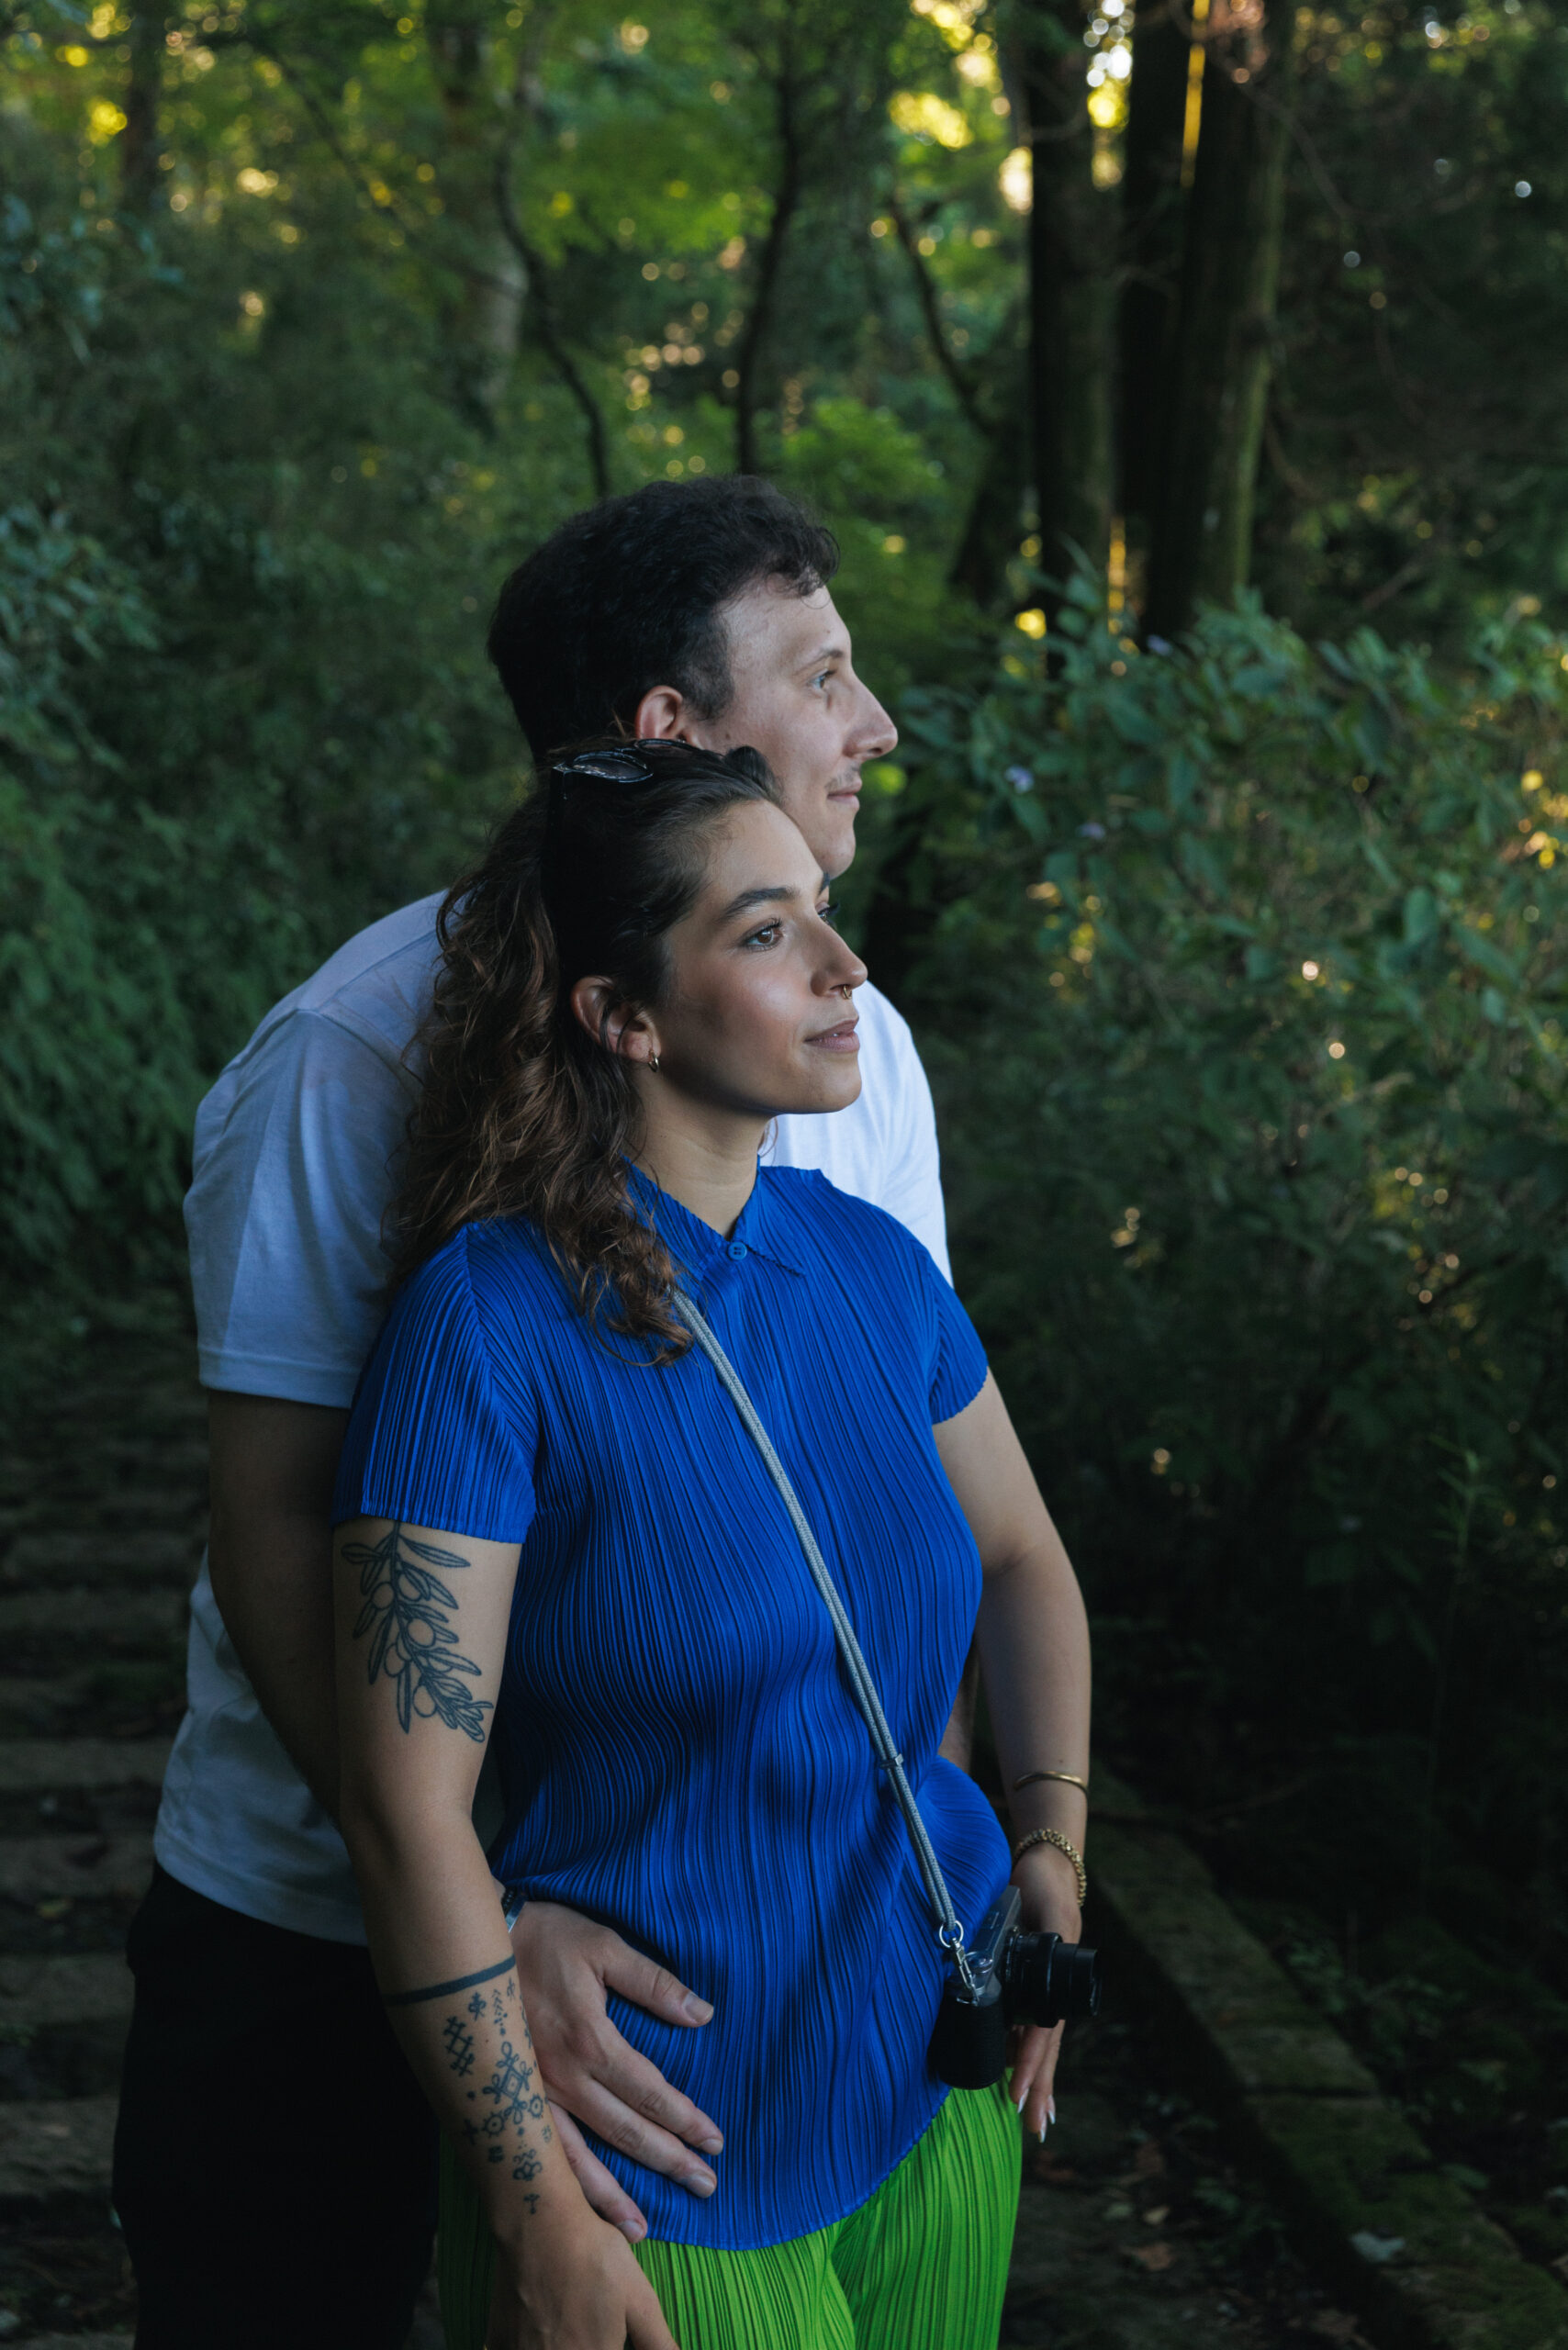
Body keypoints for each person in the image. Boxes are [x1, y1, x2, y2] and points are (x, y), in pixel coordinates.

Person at [114, 477, 977, 2350]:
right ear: (670, 731)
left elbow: (882, 1478)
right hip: (320, 1923)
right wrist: (492, 1915)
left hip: (725, 1957)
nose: (872, 721)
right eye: (823, 673)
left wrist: (954, 1868)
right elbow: (269, 1513)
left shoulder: (860, 1048)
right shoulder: (348, 1055)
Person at [331, 738, 1092, 2350]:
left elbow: (1024, 1562)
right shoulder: (485, 1326)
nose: (843, 964)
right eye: (764, 933)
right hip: (656, 2161)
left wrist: (1052, 1845)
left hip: (933, 2089)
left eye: (824, 911)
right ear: (624, 1014)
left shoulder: (876, 1270)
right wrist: (534, 2210)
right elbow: (409, 1815)